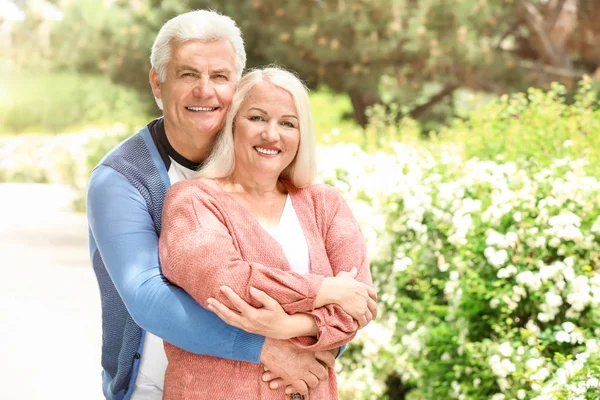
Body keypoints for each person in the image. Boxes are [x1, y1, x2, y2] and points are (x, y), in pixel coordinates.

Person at [87, 10, 347, 400]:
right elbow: (148, 296)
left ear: (238, 86)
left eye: (220, 77)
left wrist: (311, 331)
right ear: (157, 82)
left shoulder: (268, 166)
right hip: (153, 388)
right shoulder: (122, 178)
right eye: (188, 74)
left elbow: (338, 284)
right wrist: (267, 345)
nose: (205, 91)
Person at [158, 67, 376, 399]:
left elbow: (359, 303)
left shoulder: (325, 204)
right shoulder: (193, 200)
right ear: (233, 123)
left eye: (288, 123)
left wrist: (290, 326)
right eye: (257, 118)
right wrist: (326, 290)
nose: (271, 135)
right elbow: (227, 282)